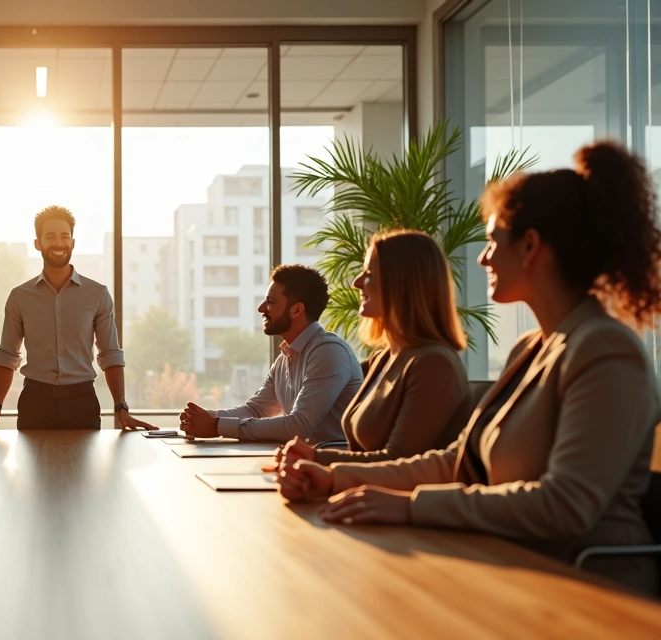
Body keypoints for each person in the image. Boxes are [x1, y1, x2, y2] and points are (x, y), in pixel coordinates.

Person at [277, 141, 661, 593]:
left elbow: (564, 505)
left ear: (531, 246)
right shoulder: (531, 348)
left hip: (585, 588)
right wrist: (334, 476)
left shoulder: (605, 350)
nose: (483, 258)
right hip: (508, 566)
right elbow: (455, 462)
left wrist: (411, 507)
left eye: (493, 241)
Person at [274, 230, 472, 467]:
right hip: (365, 495)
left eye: (369, 273)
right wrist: (312, 458)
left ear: (402, 282)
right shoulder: (384, 358)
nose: (357, 282)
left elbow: (397, 463)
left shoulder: (434, 364)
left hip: (392, 501)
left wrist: (320, 463)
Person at [0, 205, 155, 431]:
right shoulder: (19, 297)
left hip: (82, 403)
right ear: (38, 243)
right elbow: (7, 356)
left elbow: (110, 354)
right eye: (50, 237)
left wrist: (121, 408)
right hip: (35, 403)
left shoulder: (97, 294)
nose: (59, 243)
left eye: (65, 237)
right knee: (32, 468)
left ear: (72, 243)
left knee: (86, 468)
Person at [180, 264, 362, 444]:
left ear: (297, 310)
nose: (261, 308)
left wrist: (217, 426)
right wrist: (206, 417)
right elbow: (256, 409)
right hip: (301, 461)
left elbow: (298, 427)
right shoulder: (286, 357)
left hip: (330, 465)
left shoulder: (328, 352)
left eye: (270, 302)